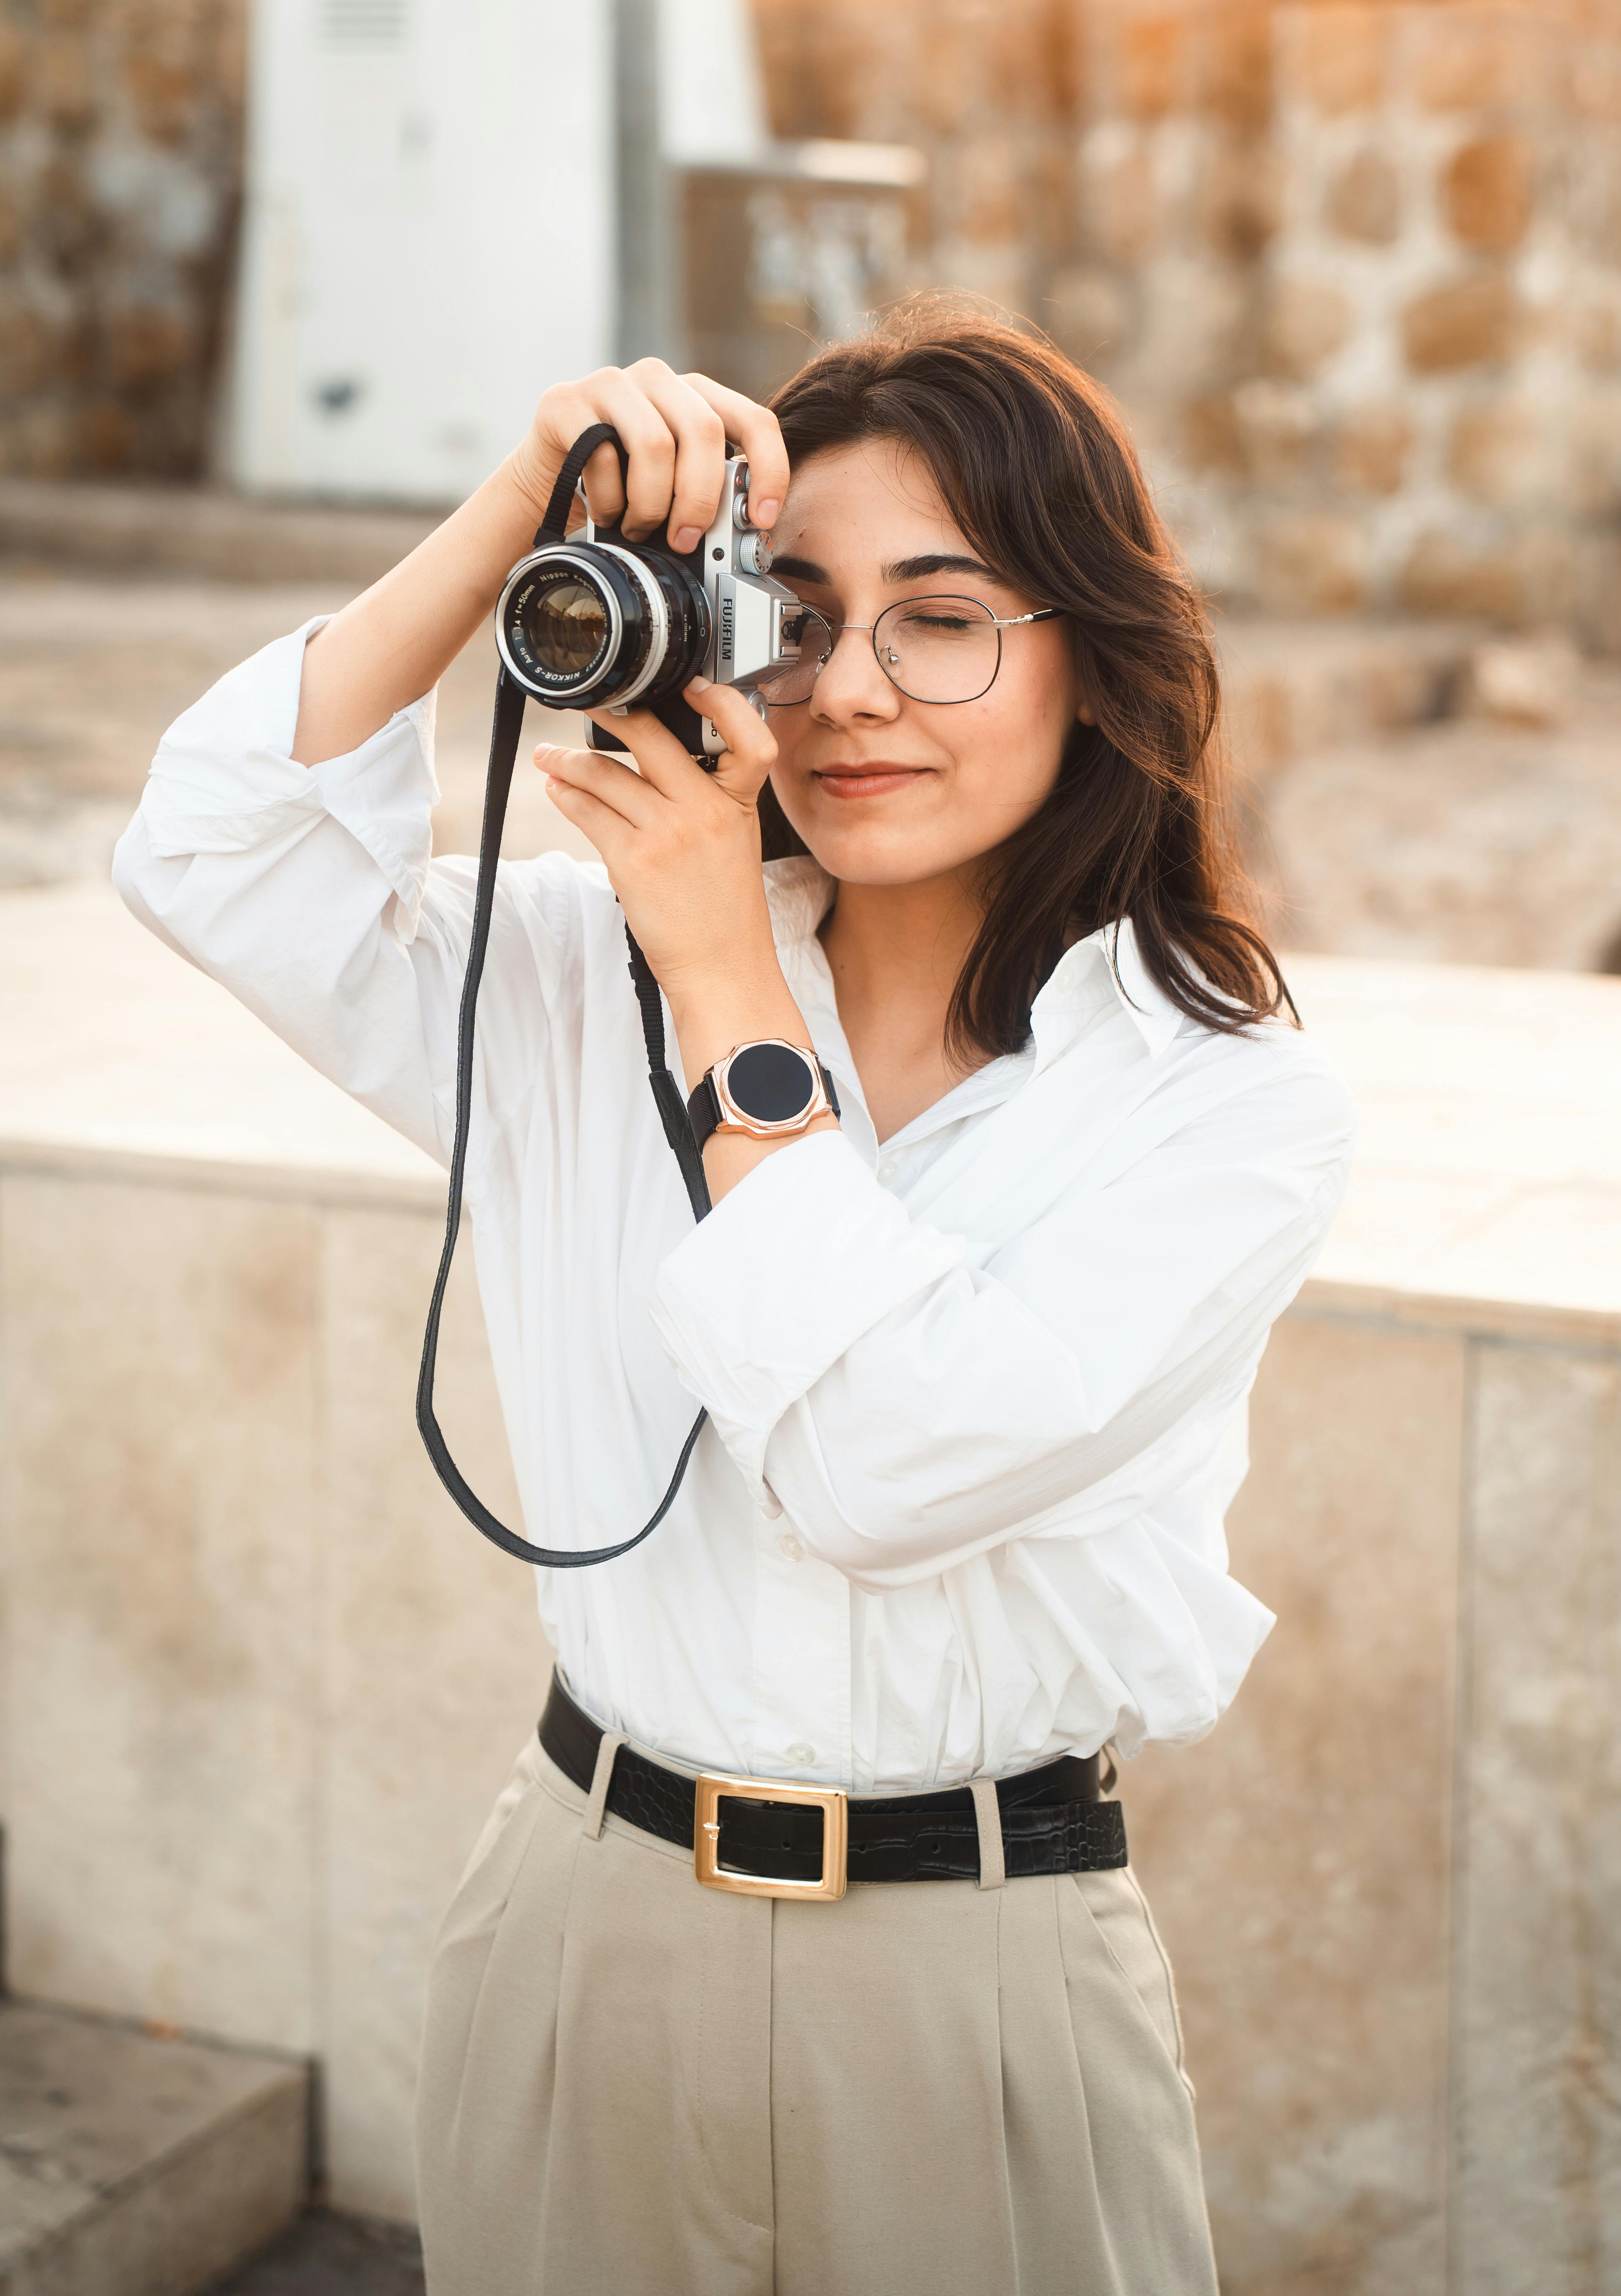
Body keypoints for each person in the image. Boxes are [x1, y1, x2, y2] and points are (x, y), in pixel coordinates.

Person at [115, 305, 1353, 2295]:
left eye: (941, 620)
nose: (852, 691)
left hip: (976, 1976)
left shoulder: (1215, 1097)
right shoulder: (562, 975)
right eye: (786, 609)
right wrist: (517, 510)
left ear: (1092, 658)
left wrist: (719, 980)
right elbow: (210, 847)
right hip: (582, 1921)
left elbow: (876, 1466)